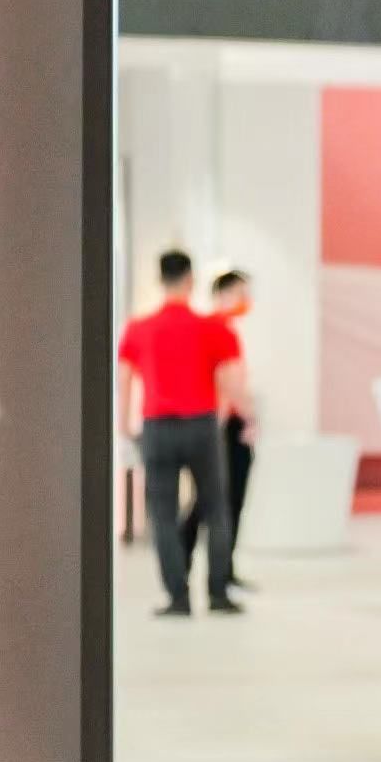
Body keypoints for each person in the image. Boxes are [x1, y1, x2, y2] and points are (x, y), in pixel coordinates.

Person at [116, 247, 245, 617]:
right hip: (201, 424)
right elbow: (229, 380)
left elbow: (124, 379)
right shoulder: (210, 328)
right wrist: (234, 417)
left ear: (161, 279)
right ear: (190, 280)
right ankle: (218, 594)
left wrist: (124, 424)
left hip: (157, 427)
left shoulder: (139, 328)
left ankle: (178, 597)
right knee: (216, 508)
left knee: (163, 515)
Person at [183, 268, 257, 589]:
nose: (246, 300)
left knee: (220, 499)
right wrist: (247, 418)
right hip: (221, 424)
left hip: (220, 422)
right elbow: (227, 383)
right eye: (241, 292)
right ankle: (202, 566)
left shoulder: (222, 329)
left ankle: (221, 569)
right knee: (215, 500)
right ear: (222, 294)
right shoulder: (217, 330)